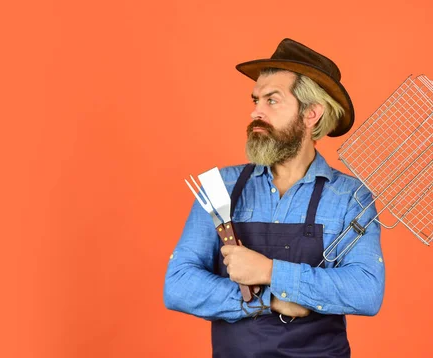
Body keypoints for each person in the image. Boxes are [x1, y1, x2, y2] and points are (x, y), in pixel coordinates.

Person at [164, 38, 385, 358]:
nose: (256, 112)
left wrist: (270, 272)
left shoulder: (350, 197)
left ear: (311, 113)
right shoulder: (220, 186)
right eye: (256, 100)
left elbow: (366, 291)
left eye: (272, 101)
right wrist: (267, 300)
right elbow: (178, 284)